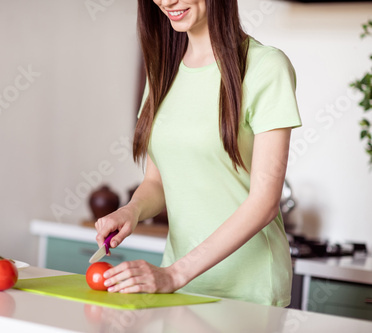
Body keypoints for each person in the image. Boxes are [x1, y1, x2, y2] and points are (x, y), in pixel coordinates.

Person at [94, 0, 302, 307]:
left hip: (249, 290)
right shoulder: (162, 70)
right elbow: (157, 181)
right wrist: (132, 210)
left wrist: (174, 275)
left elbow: (265, 202)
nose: (166, 2)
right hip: (180, 286)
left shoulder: (265, 67)